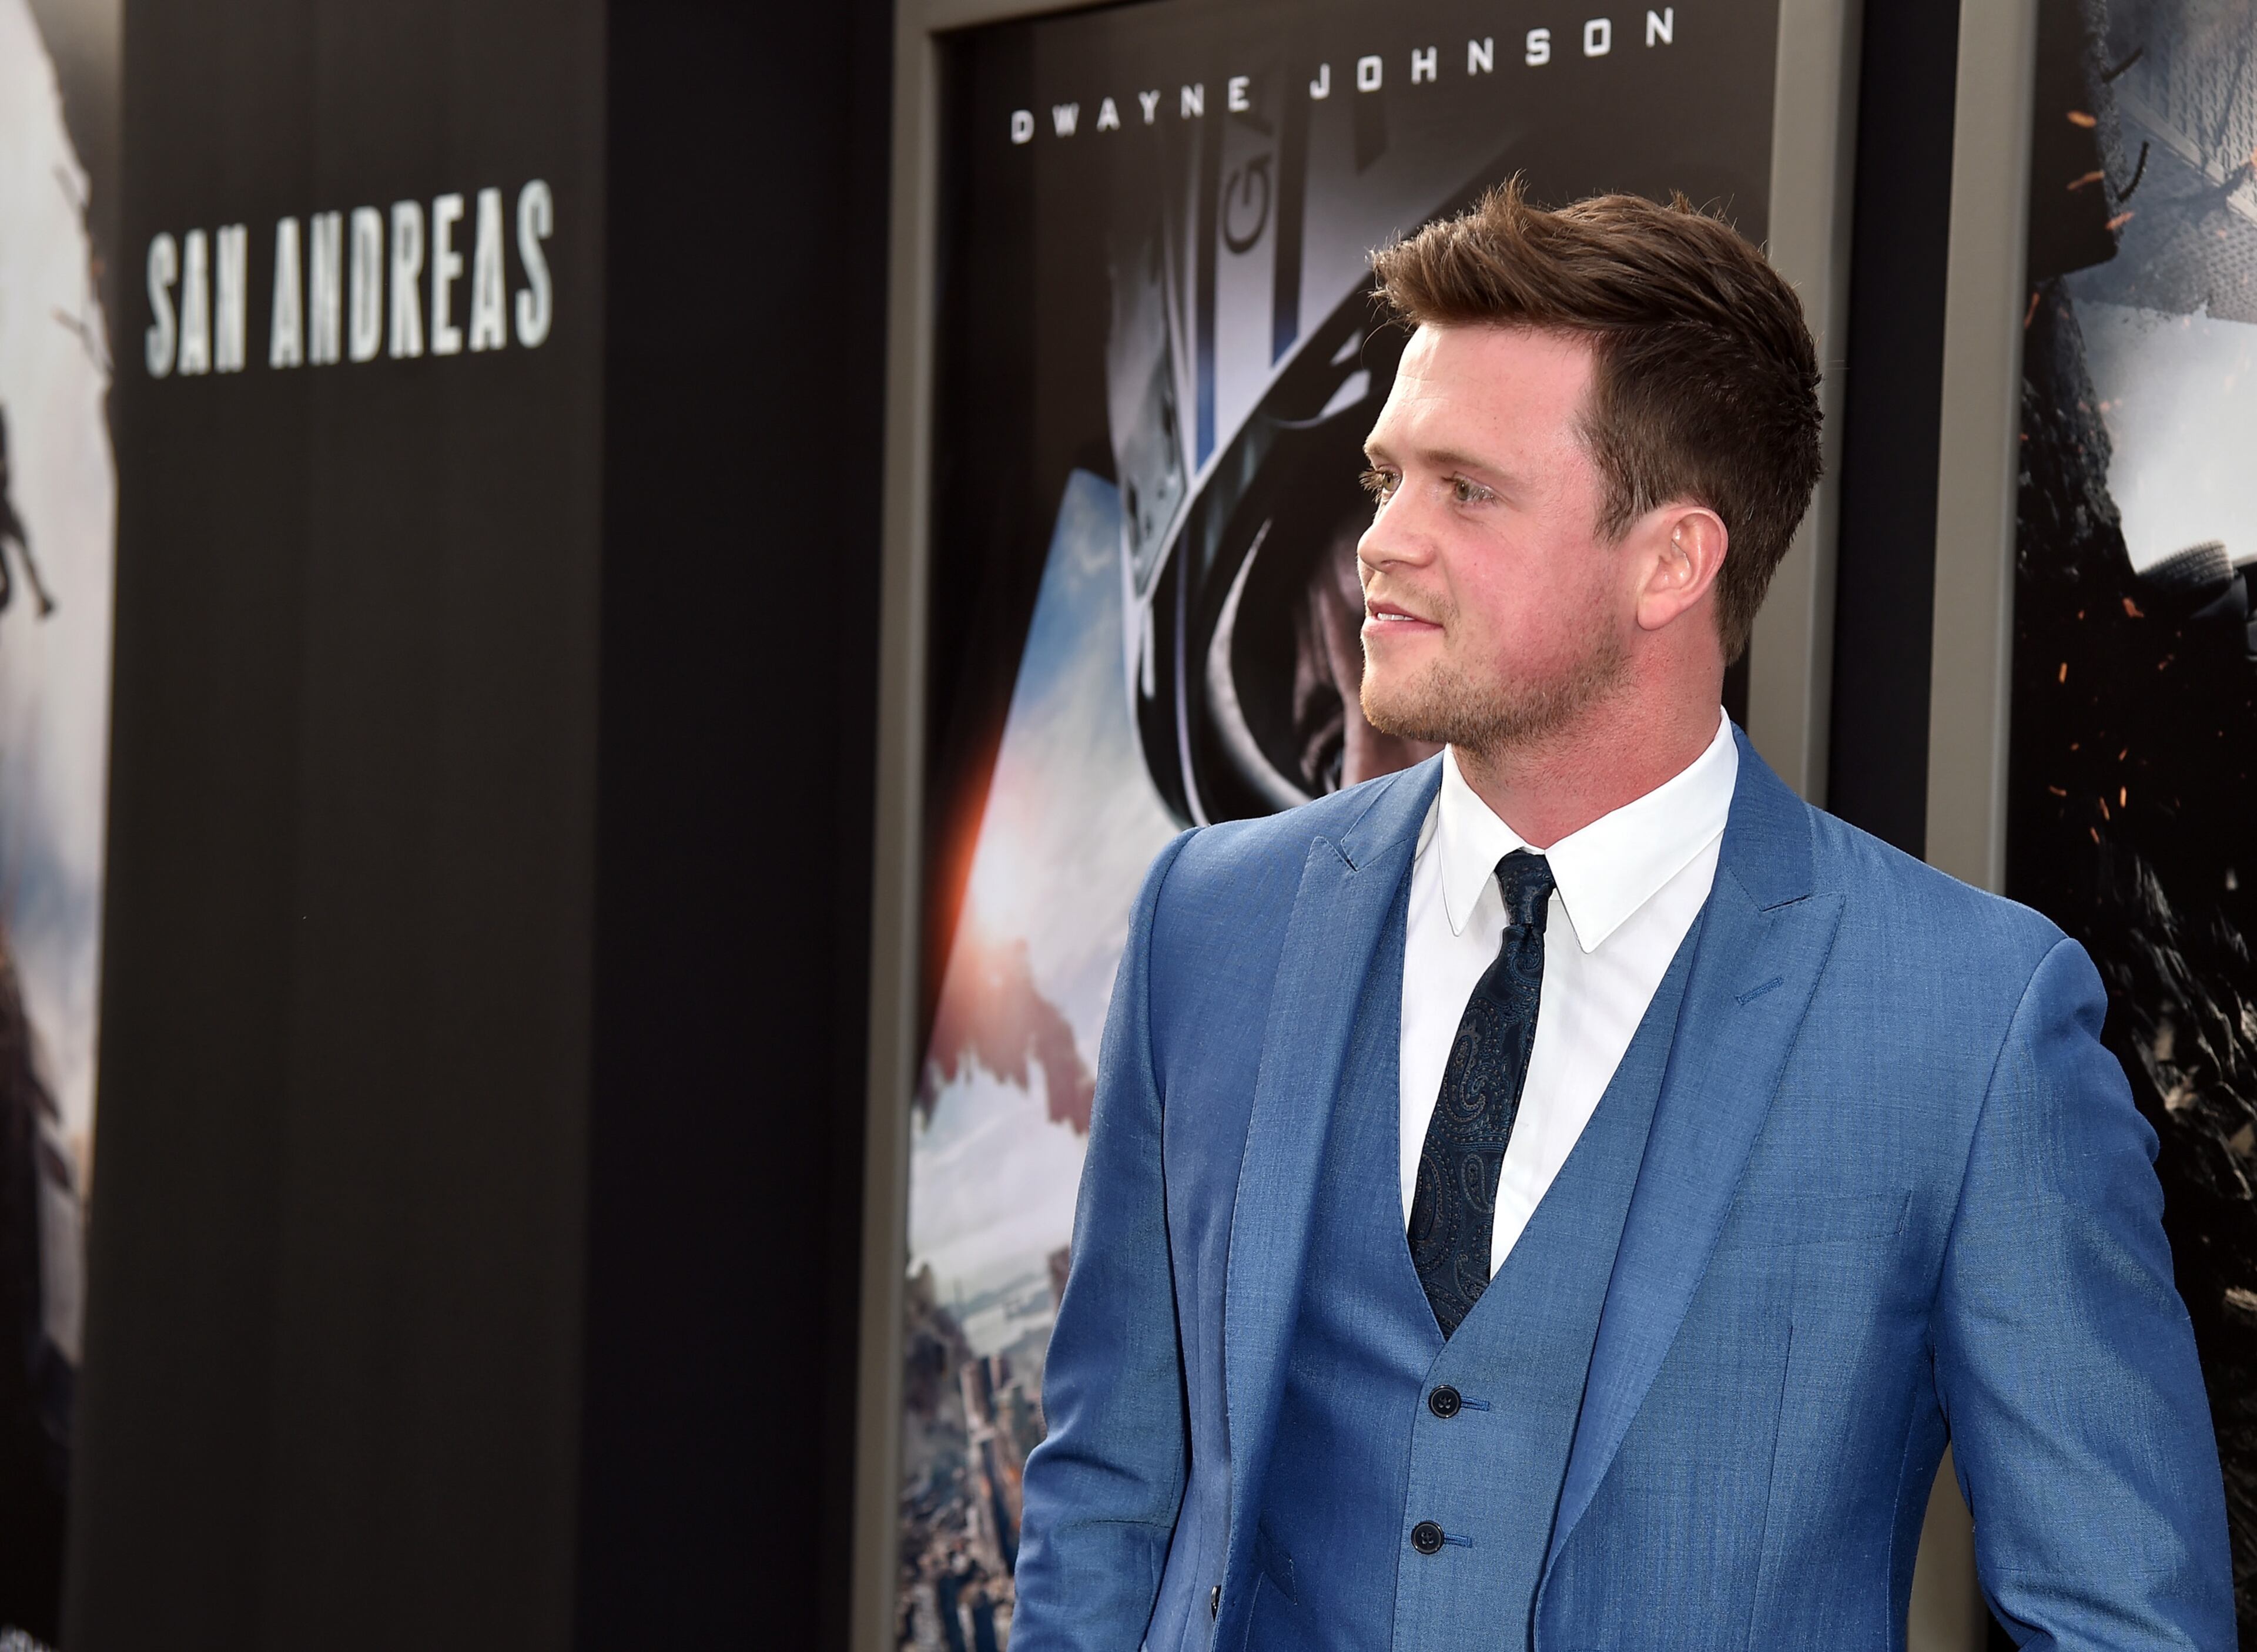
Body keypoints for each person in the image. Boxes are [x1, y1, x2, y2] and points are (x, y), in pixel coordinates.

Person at [1008, 182, 2231, 1650]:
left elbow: (2124, 1615)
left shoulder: (1970, 1021)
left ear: (1673, 561)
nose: (1382, 541)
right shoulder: (1213, 919)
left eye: (1465, 489)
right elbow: (1107, 1494)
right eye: (1387, 476)